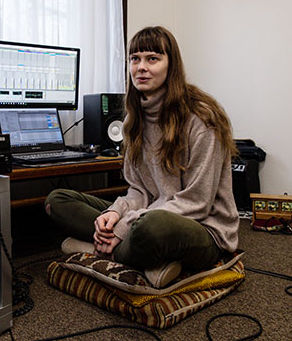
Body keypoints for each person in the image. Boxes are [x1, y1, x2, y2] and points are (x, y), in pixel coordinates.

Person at [44, 26, 239, 288]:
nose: (141, 67)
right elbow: (138, 191)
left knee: (152, 228)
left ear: (172, 65)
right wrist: (114, 215)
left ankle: (97, 249)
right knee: (58, 200)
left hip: (203, 228)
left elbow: (197, 202)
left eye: (152, 59)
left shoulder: (203, 118)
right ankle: (134, 256)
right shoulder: (133, 120)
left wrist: (124, 227)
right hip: (147, 214)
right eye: (134, 59)